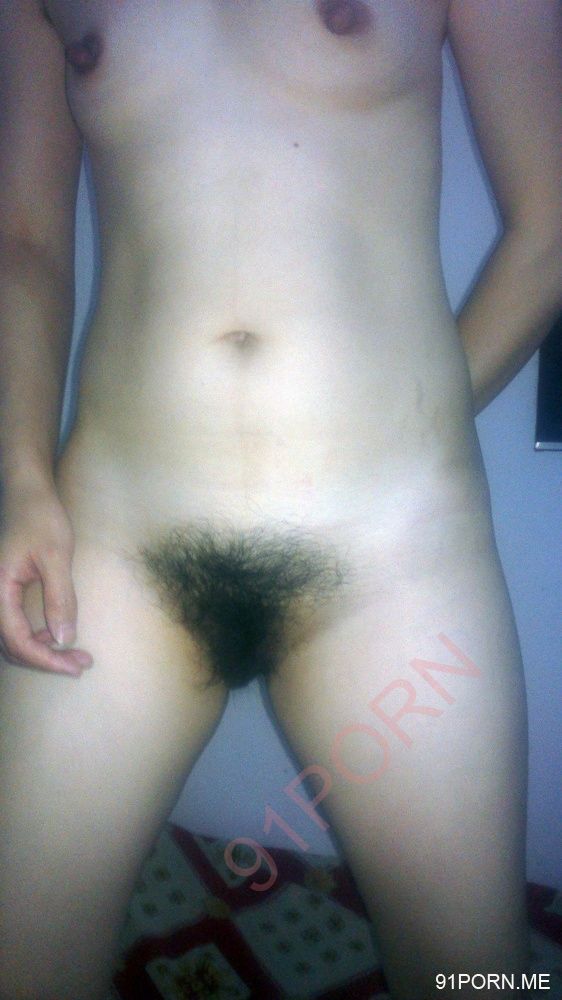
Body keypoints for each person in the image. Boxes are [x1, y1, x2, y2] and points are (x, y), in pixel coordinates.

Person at [0, 1, 560, 998]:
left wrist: (411, 422)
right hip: (116, 545)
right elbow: (25, 238)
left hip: (390, 552)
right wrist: (19, 478)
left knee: (475, 981)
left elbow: (551, 224)